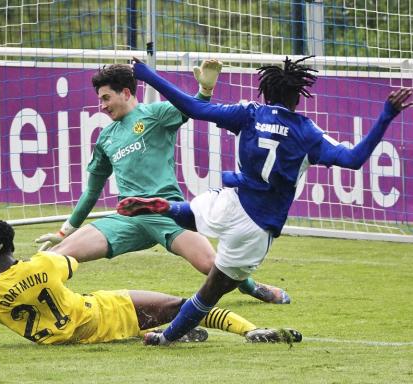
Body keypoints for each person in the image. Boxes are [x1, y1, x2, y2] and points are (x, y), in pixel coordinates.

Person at [117, 56, 413, 345]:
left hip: (230, 200)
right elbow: (354, 159)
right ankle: (165, 338)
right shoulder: (307, 133)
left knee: (193, 214)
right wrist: (387, 113)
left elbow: (193, 108)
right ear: (297, 97)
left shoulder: (249, 113)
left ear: (266, 91)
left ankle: (168, 208)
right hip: (257, 226)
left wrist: (146, 74)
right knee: (212, 291)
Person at [35, 62, 290, 304]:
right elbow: (92, 190)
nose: (101, 106)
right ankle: (32, 298)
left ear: (125, 93)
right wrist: (64, 231)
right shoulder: (105, 138)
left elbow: (194, 108)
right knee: (57, 256)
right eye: (100, 99)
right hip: (128, 217)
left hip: (166, 211)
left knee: (214, 267)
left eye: (105, 98)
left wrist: (205, 90)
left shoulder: (155, 114)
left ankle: (255, 288)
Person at [0, 219, 301, 350]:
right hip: (104, 311)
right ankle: (250, 330)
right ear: (11, 243)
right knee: (183, 303)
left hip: (63, 335)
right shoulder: (44, 264)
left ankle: (179, 334)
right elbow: (75, 256)